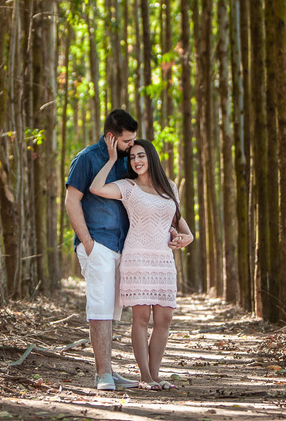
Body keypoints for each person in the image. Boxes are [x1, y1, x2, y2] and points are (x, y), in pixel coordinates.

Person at [90, 138, 194, 390]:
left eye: (141, 155)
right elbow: (96, 188)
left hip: (163, 259)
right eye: (132, 157)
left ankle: (156, 375)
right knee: (142, 317)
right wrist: (112, 159)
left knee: (164, 318)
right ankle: (145, 376)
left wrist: (188, 236)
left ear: (151, 157)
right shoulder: (128, 187)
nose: (136, 161)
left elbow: (177, 219)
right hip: (137, 257)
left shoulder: (169, 186)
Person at [64, 109, 140, 391]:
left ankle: (108, 370)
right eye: (127, 140)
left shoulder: (126, 161)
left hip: (122, 245)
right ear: (111, 137)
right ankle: (102, 375)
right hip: (98, 243)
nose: (132, 145)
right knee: (99, 307)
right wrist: (88, 244)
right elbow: (71, 201)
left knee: (111, 309)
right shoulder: (86, 158)